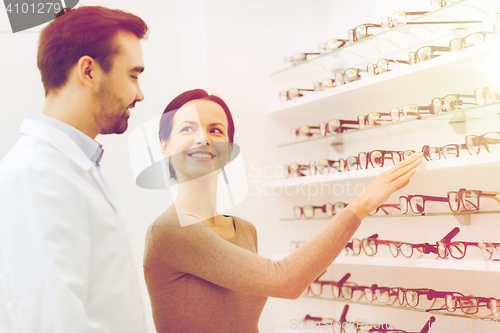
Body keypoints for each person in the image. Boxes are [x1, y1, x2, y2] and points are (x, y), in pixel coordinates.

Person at [143, 89, 423, 333]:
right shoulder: (170, 229)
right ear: (165, 147)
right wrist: (362, 204)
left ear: (228, 150)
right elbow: (285, 280)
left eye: (215, 130)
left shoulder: (245, 231)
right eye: (187, 129)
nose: (203, 138)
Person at [0, 6, 149, 332]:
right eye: (134, 76)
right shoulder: (36, 175)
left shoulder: (75, 167)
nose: (140, 94)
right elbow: (51, 322)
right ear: (88, 71)